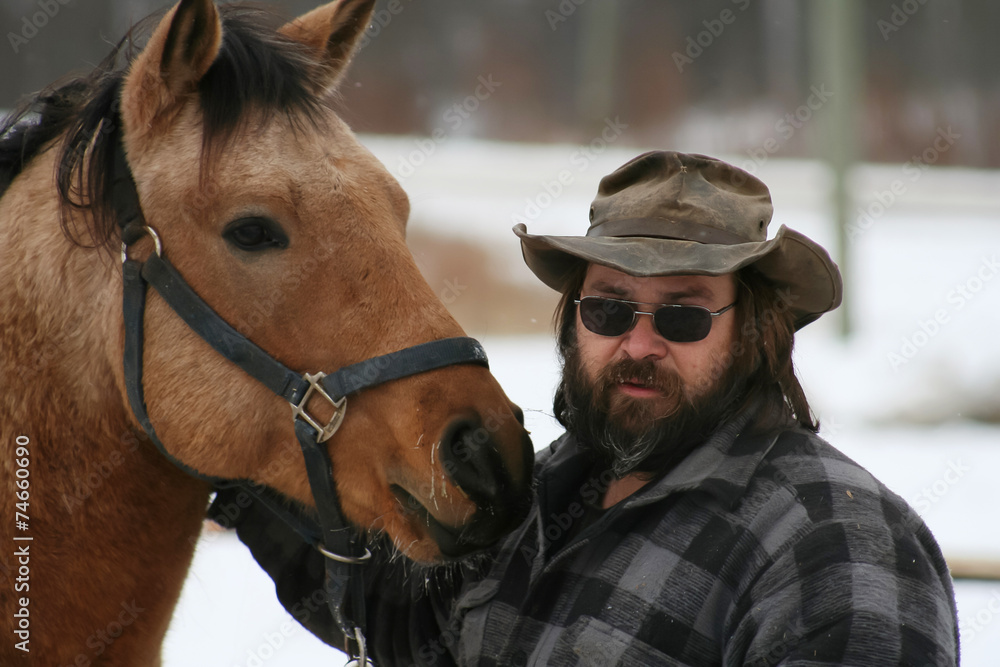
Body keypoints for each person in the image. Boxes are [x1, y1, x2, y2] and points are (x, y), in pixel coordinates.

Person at [212, 151, 959, 665]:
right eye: (608, 311)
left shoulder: (840, 542)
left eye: (683, 317)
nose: (639, 343)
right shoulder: (545, 495)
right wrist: (238, 471)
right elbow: (410, 628)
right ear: (573, 319)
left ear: (755, 332)